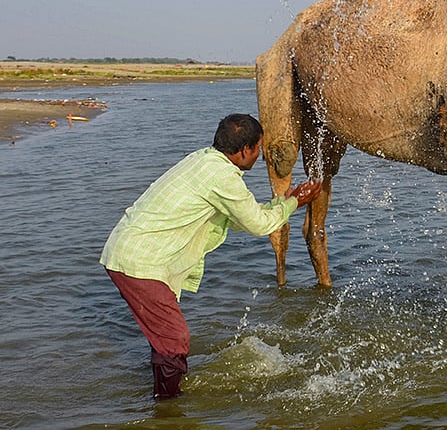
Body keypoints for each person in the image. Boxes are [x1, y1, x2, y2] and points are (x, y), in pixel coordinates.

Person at [100, 113, 321, 400]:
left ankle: (165, 388)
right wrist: (296, 201)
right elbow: (259, 225)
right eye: (258, 148)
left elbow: (243, 217)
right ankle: (168, 409)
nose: (260, 156)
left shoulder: (203, 160)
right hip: (140, 262)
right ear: (244, 150)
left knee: (166, 338)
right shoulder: (223, 177)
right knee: (176, 340)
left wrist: (284, 201)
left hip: (131, 252)